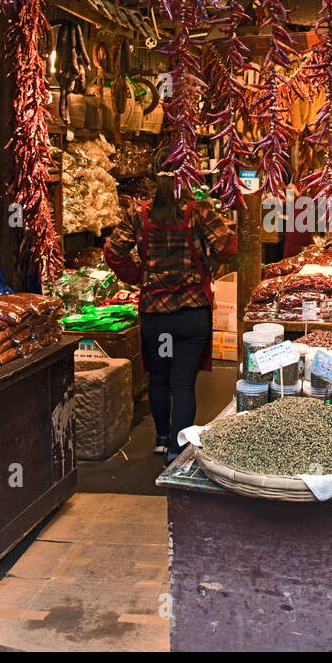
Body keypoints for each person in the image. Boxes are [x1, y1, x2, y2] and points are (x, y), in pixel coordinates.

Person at [103, 164, 237, 462]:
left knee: (159, 379)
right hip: (191, 315)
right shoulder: (198, 211)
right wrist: (208, 262)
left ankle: (162, 439)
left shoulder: (139, 214)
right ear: (185, 177)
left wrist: (138, 275)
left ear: (154, 177)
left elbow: (113, 251)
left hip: (157, 316)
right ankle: (178, 448)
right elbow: (229, 245)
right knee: (183, 382)